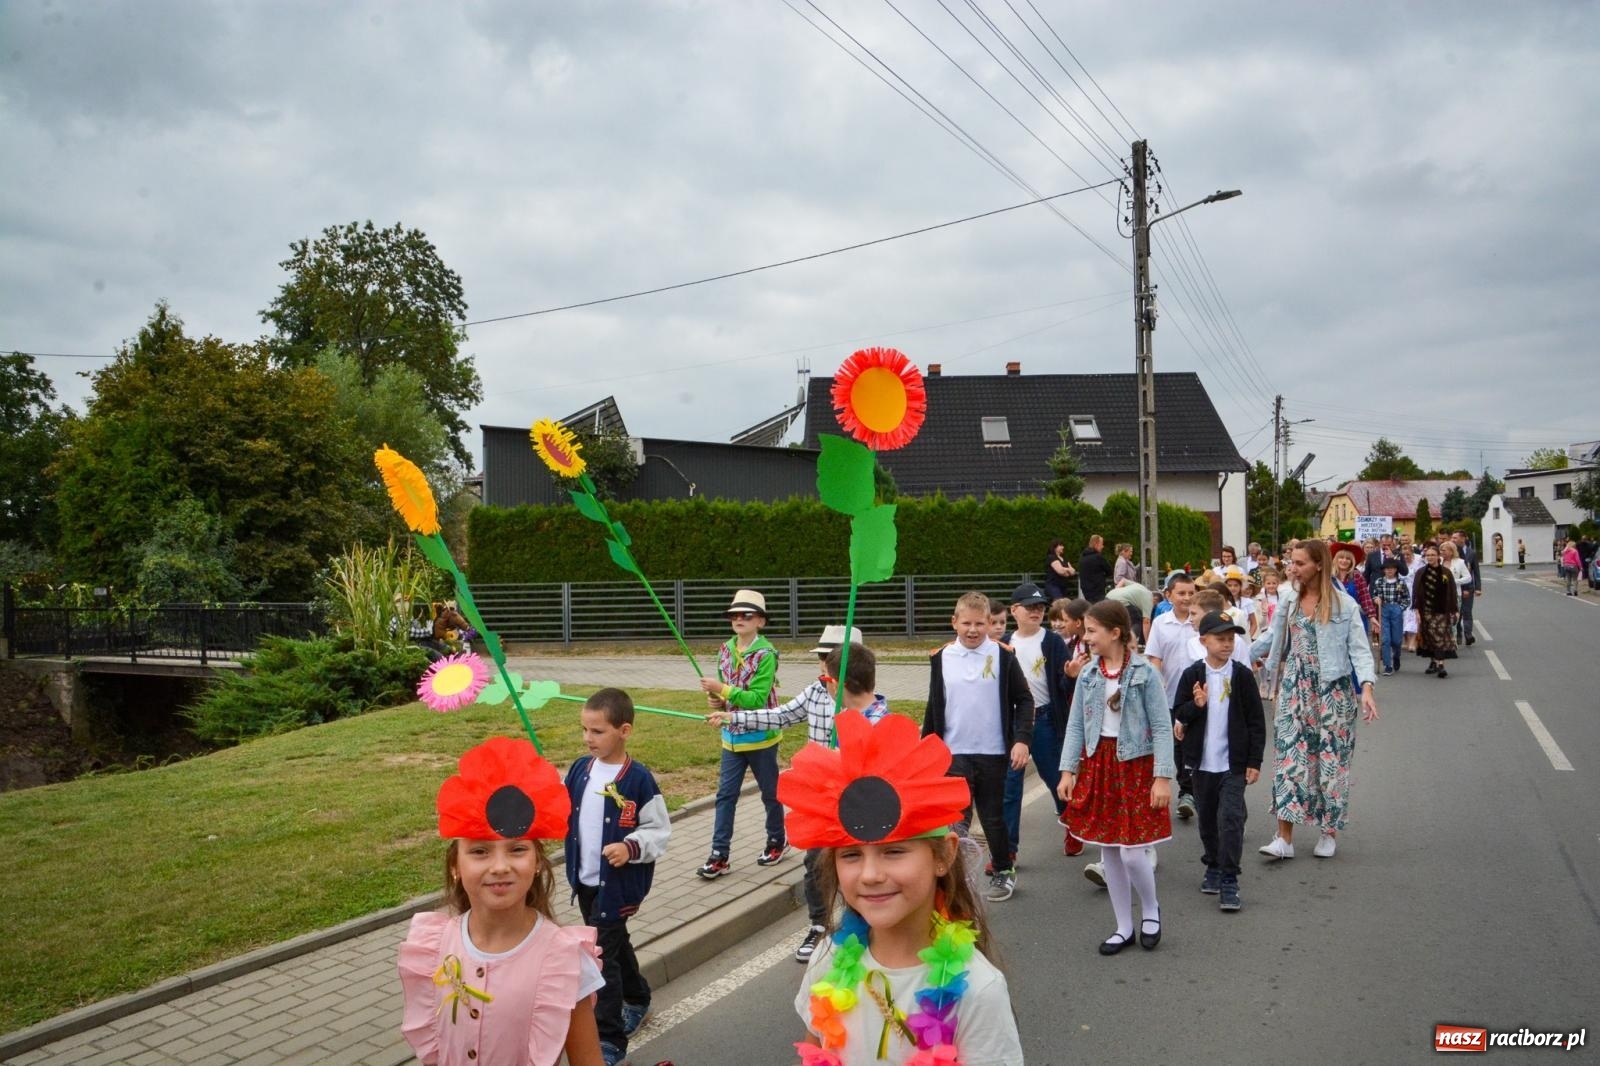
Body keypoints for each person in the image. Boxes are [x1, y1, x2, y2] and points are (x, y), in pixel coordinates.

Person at [781, 711, 1025, 1065]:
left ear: (944, 856)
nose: (870, 874)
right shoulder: (829, 959)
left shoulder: (978, 990)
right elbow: (815, 1049)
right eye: (851, 855)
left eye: (894, 852)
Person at [399, 737, 606, 1066]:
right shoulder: (433, 946)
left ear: (536, 862)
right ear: (455, 866)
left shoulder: (564, 960)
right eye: (480, 851)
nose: (499, 866)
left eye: (517, 849)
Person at [707, 624, 868, 961]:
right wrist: (734, 718)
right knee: (815, 864)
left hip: (857, 800)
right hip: (820, 797)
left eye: (829, 658)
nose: (822, 664)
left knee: (857, 864)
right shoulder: (815, 692)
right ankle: (819, 924)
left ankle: (863, 922)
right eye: (821, 657)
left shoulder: (869, 708)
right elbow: (780, 715)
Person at [1058, 600, 1174, 955]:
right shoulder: (1089, 674)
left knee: (1133, 854)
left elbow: (1162, 727)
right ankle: (1123, 926)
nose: (1086, 637)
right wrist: (1068, 770)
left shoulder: (1144, 673)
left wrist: (1162, 776)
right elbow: (1076, 725)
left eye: (1092, 631)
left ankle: (1151, 909)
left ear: (1115, 633)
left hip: (1136, 765)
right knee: (1108, 849)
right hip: (1099, 764)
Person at [1251, 540, 1379, 861]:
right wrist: (1236, 653)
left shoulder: (1344, 605)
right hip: (1295, 688)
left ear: (1318, 565)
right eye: (1291, 562)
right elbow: (1272, 636)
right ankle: (1284, 838)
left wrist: (1367, 687)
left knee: (1330, 764)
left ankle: (1327, 832)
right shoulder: (1289, 599)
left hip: (1333, 693)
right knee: (1289, 760)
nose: (1292, 568)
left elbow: (1360, 650)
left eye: (1299, 563)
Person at [563, 689, 671, 1066]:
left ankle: (609, 1039)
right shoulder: (580, 770)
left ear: (624, 731)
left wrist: (630, 847)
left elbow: (659, 831)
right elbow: (565, 811)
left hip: (617, 886)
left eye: (597, 731)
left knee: (600, 958)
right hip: (585, 880)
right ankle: (638, 998)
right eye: (584, 729)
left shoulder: (638, 779)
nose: (587, 738)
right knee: (612, 941)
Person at [923, 591, 1032, 902]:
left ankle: (1003, 869)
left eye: (979, 624)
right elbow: (934, 706)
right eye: (966, 623)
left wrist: (1022, 740)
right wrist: (925, 749)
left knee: (992, 817)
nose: (973, 630)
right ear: (954, 622)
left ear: (989, 623)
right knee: (955, 819)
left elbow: (1024, 699)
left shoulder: (1003, 655)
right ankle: (955, 877)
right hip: (952, 753)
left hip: (992, 752)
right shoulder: (940, 657)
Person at [1171, 611, 1266, 912]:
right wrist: (1196, 706)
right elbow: (1179, 714)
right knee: (1208, 822)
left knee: (1231, 819)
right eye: (1220, 639)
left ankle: (1229, 878)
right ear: (1204, 641)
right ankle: (1212, 863)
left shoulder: (1242, 675)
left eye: (1231, 639)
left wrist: (1254, 761)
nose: (1227, 644)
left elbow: (1256, 722)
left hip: (1233, 764)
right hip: (1202, 764)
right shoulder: (1192, 675)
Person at [698, 589, 786, 879]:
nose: (739, 619)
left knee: (770, 794)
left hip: (761, 737)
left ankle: (777, 840)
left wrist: (722, 690)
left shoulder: (766, 654)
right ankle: (719, 855)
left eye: (747, 614)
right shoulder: (725, 649)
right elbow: (725, 694)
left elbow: (757, 699)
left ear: (760, 621)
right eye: (734, 614)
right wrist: (717, 701)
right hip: (731, 739)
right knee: (725, 796)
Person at [1000, 582, 1072, 869]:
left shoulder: (1052, 642)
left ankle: (1071, 823)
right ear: (1014, 610)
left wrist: (1071, 675)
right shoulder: (1004, 643)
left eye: (1040, 607)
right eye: (1030, 607)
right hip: (1013, 723)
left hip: (1044, 720)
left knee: (1055, 779)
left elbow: (1064, 683)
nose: (1036, 612)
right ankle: (1008, 850)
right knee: (1010, 786)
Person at [1142, 571, 1200, 823]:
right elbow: (1154, 657)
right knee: (1178, 745)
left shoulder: (1200, 621)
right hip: (1171, 696)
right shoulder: (1160, 623)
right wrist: (1156, 682)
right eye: (1181, 593)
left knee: (1198, 743)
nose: (1186, 598)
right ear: (1168, 595)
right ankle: (1187, 792)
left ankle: (1199, 790)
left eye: (1191, 593)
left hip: (1199, 697)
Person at [1048, 597, 1092, 857]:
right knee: (1078, 778)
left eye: (1065, 620)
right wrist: (1070, 676)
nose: (1061, 625)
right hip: (1074, 719)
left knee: (1094, 780)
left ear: (1078, 622)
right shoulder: (1069, 647)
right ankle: (1074, 829)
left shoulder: (1099, 648)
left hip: (1100, 722)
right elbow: (1064, 687)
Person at [1414, 544, 1460, 673]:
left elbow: (1452, 591)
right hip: (1426, 610)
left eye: (1433, 555)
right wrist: (1416, 611)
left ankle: (1441, 664)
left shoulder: (1446, 572)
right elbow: (1415, 592)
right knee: (1429, 636)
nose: (1430, 557)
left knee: (1440, 636)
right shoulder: (1421, 572)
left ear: (1438, 556)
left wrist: (1454, 610)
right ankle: (1433, 662)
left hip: (1442, 610)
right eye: (1428, 555)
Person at [1330, 542, 1379, 646]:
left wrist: (1372, 617)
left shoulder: (1357, 576)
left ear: (1352, 561)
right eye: (1341, 557)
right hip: (1334, 618)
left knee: (1356, 647)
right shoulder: (1329, 577)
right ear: (1335, 559)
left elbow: (1365, 597)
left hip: (1355, 617)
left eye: (1348, 559)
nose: (1344, 561)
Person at [1371, 556, 1410, 677]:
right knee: (1385, 639)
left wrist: (1400, 608)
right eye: (1387, 568)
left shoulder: (1401, 582)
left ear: (1396, 570)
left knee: (1397, 640)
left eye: (1392, 568)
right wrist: (1376, 599)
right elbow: (1374, 595)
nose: (1389, 570)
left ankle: (1396, 656)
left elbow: (1407, 598)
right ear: (1384, 570)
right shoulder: (1379, 582)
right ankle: (1388, 665)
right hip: (1383, 610)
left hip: (1396, 609)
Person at [1451, 531, 1482, 644]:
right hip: (1455, 588)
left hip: (1468, 587)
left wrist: (1478, 588)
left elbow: (1476, 572)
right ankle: (1458, 634)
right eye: (1452, 538)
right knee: (1457, 613)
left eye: (1455, 537)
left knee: (1467, 611)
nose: (1453, 539)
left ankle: (1468, 634)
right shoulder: (1451, 553)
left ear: (1463, 538)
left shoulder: (1471, 553)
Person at [1440, 541, 1473, 643]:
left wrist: (1455, 581)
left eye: (1444, 550)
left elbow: (1468, 578)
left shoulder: (1460, 562)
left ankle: (1452, 642)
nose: (1442, 552)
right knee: (1441, 619)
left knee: (1453, 619)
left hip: (1455, 595)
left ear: (1451, 551)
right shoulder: (1438, 561)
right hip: (1439, 595)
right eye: (1441, 550)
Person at [1105, 579, 1153, 647]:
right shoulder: (1149, 600)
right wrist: (1149, 645)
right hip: (1120, 601)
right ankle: (1127, 643)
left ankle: (1111, 643)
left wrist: (1116, 592)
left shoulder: (1140, 587)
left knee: (1117, 623)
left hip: (1109, 596)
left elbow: (1123, 580)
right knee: (1137, 622)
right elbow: (1146, 622)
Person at [1078, 534, 1114, 603]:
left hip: (1086, 591)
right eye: (1102, 544)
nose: (1103, 546)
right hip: (1098, 591)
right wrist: (1102, 575)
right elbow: (1109, 571)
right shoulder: (1098, 557)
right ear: (1096, 544)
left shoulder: (1082, 557)